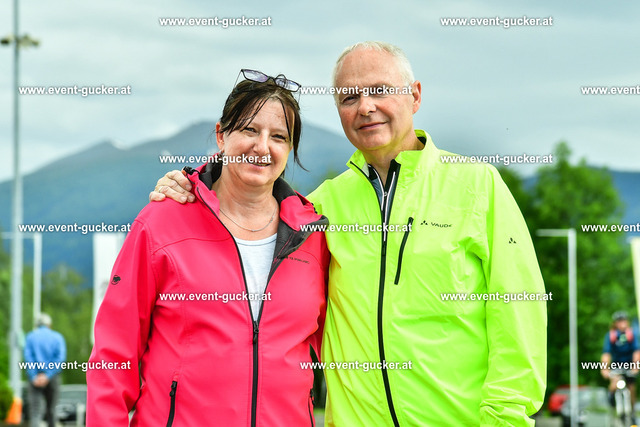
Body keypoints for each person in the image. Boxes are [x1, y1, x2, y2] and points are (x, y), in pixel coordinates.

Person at [151, 41, 547, 426]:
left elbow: (518, 312)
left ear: (415, 96)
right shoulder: (319, 209)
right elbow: (247, 214)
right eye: (349, 97)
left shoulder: (478, 186)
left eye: (380, 90)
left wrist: (505, 419)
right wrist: (192, 184)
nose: (365, 107)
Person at [87, 69, 329, 426]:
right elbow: (114, 355)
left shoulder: (313, 237)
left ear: (289, 149)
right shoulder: (161, 223)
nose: (263, 147)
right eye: (249, 130)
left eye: (278, 136)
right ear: (221, 135)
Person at [24, 313, 66, 427]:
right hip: (53, 377)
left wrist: (34, 376)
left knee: (35, 412)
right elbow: (60, 358)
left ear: (37, 325)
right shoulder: (58, 337)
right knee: (52, 410)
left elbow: (28, 358)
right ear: (49, 325)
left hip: (35, 379)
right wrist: (48, 375)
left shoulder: (30, 337)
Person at [601, 311, 639, 412]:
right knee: (614, 382)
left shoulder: (632, 334)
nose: (622, 323)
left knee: (631, 388)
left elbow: (636, 352)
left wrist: (635, 366)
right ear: (615, 323)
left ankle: (632, 412)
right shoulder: (611, 335)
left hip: (629, 364)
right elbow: (606, 354)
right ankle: (611, 400)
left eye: (624, 320)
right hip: (616, 364)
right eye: (619, 321)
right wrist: (604, 369)